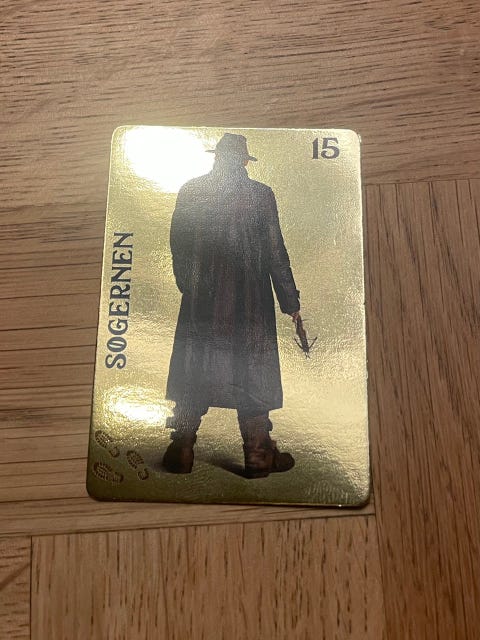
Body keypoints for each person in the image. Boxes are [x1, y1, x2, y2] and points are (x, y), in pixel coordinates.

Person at [163, 133, 300, 478]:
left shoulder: (191, 190)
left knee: (196, 370)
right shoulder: (261, 195)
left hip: (202, 301)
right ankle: (258, 455)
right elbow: (275, 252)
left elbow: (177, 245)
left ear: (216, 158)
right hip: (251, 305)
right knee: (252, 374)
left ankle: (181, 450)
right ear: (243, 161)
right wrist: (290, 302)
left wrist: (190, 286)